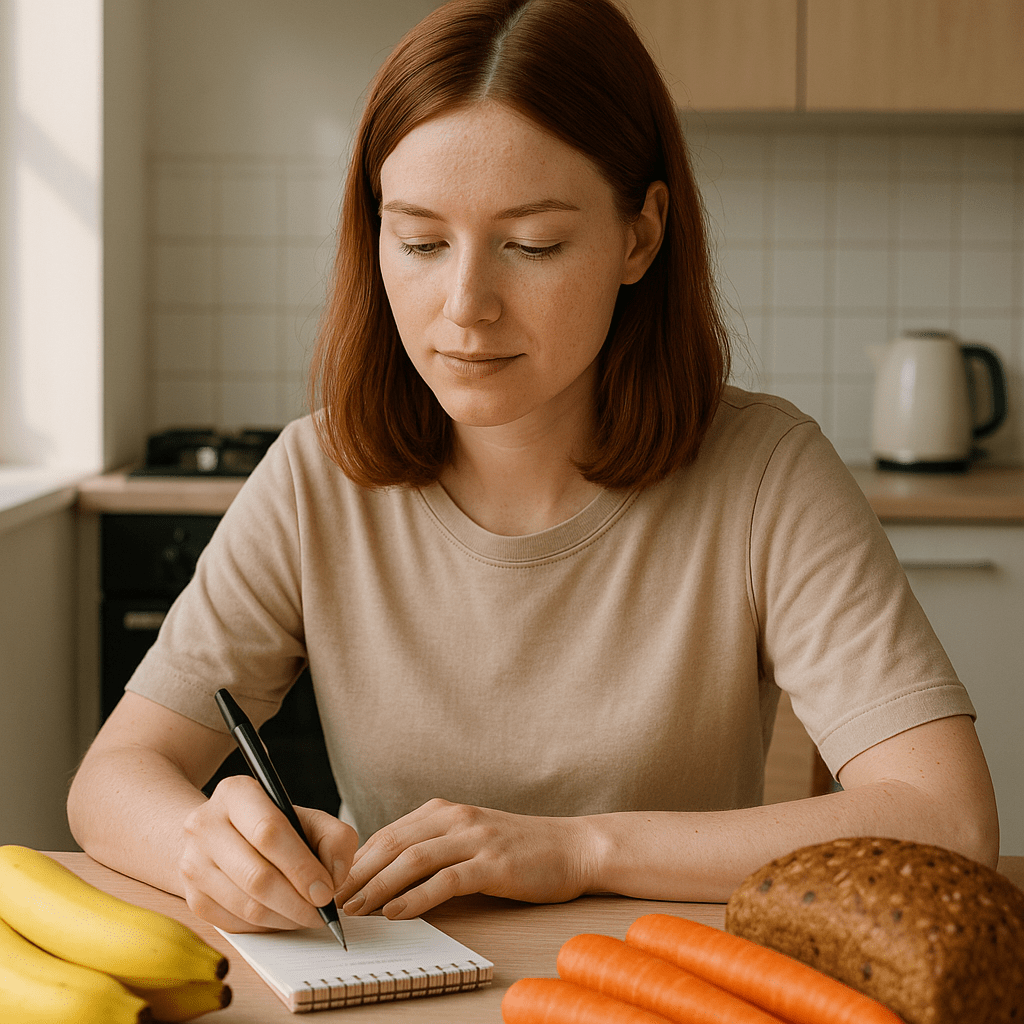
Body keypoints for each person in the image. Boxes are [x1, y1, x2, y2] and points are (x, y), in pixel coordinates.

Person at [68, 0, 998, 936]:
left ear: (640, 235)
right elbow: (112, 779)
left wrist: (577, 849)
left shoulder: (765, 474)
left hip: (665, 984)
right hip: (396, 988)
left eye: (533, 246)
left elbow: (949, 821)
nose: (466, 306)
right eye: (422, 242)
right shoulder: (317, 475)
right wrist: (204, 842)